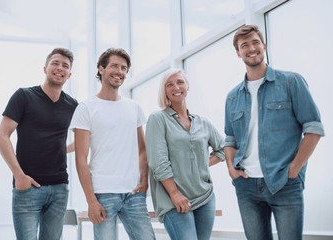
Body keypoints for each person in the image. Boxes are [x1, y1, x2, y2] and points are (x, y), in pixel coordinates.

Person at [224, 25, 325, 240]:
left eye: (255, 42)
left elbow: (313, 127)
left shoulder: (291, 82)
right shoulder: (233, 97)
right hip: (246, 186)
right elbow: (230, 139)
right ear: (238, 53)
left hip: (284, 182)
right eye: (244, 45)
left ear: (264, 46)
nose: (251, 48)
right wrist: (231, 169)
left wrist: (295, 168)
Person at [70, 48, 155, 240]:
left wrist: (144, 183)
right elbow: (80, 159)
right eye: (114, 66)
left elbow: (142, 150)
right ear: (101, 69)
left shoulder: (134, 108)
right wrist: (91, 200)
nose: (120, 71)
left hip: (133, 194)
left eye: (124, 68)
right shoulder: (86, 108)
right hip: (102, 193)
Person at [0, 48, 78, 240]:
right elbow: (2, 136)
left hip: (59, 188)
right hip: (27, 187)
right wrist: (19, 176)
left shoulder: (72, 105)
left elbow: (86, 139)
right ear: (45, 68)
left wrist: (60, 149)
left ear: (69, 74)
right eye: (55, 63)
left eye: (65, 65)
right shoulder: (23, 96)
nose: (60, 68)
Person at [145, 68, 225, 240]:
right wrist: (174, 194)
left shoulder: (202, 122)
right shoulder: (158, 119)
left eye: (180, 82)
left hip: (205, 197)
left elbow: (223, 149)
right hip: (173, 199)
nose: (176, 87)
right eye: (169, 84)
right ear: (164, 90)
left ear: (187, 86)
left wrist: (202, 163)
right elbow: (158, 162)